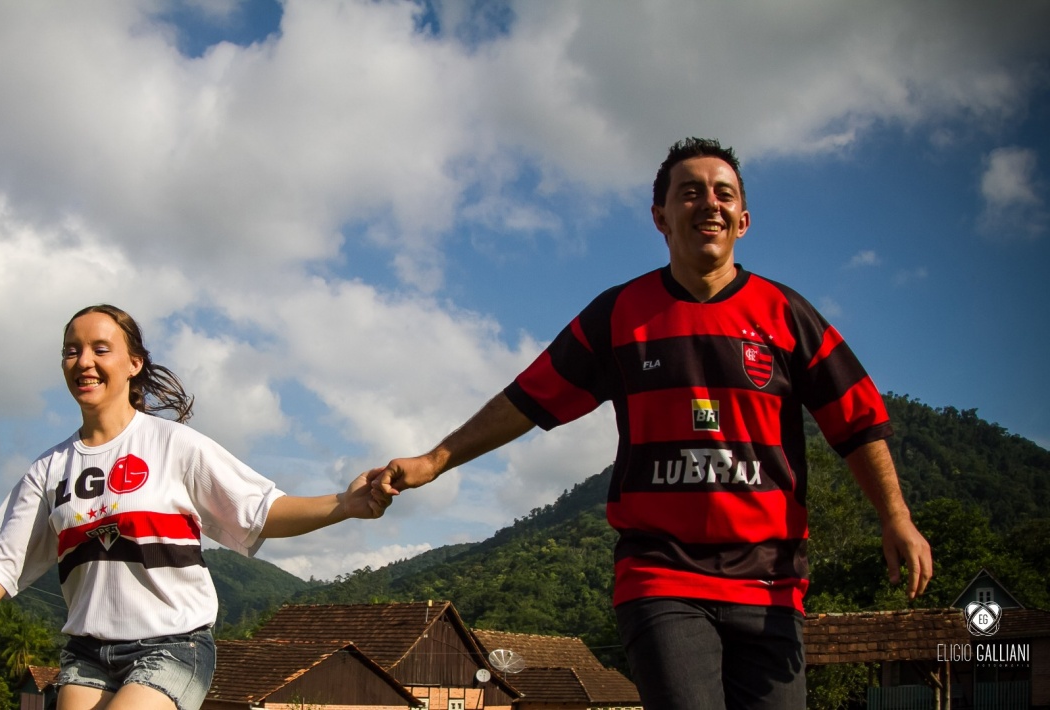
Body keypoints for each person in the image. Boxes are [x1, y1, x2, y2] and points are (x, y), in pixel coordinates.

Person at [375, 138, 933, 708]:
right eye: (690, 192)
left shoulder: (787, 314)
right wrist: (434, 461)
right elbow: (527, 398)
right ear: (660, 217)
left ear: (743, 220)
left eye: (723, 194)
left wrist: (897, 517)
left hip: (772, 582)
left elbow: (858, 420)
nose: (709, 204)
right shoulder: (620, 315)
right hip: (662, 575)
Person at [0, 304, 392, 710]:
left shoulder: (174, 446)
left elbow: (260, 511)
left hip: (173, 643)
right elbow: (0, 562)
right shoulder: (48, 470)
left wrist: (345, 504)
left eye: (100, 349)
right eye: (71, 351)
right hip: (87, 651)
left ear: (134, 363)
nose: (83, 361)